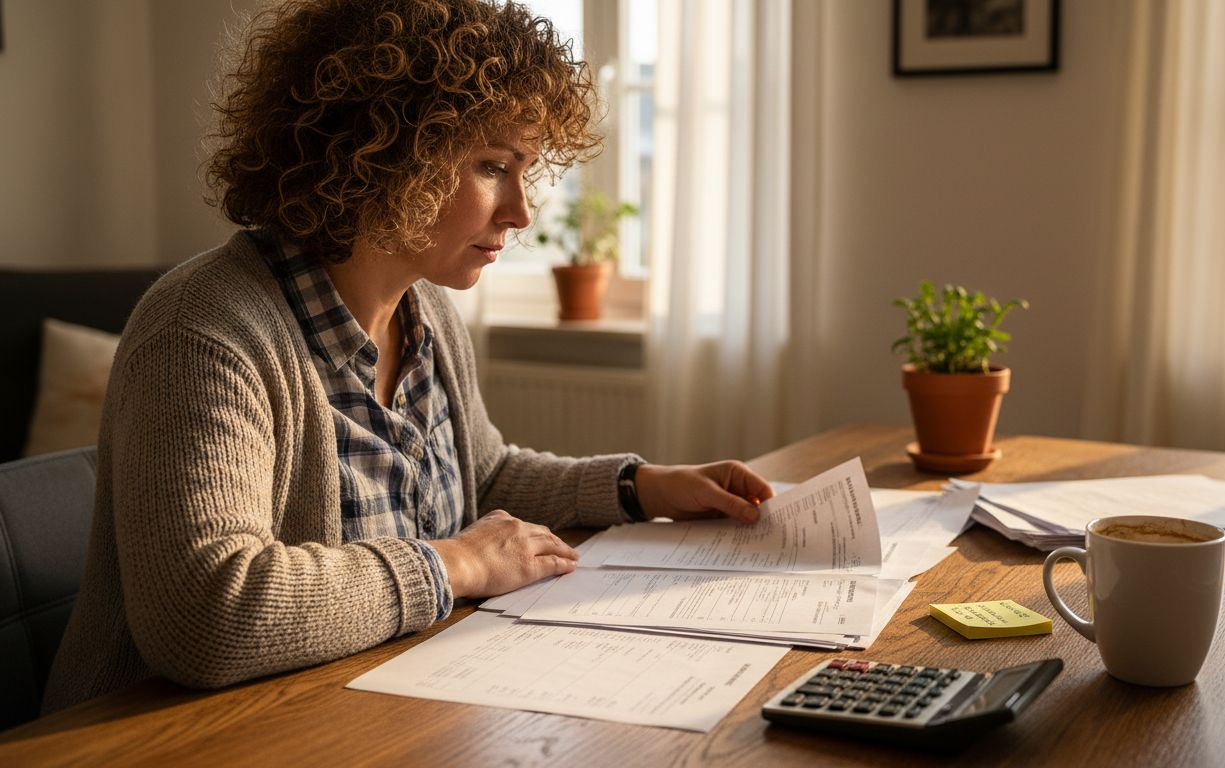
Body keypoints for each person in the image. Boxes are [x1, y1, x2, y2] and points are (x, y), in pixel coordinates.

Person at [42, 0, 773, 713]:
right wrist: (457, 564)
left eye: (525, 171)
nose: (521, 211)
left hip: (367, 710)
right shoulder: (203, 331)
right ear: (386, 155)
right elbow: (207, 614)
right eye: (493, 165)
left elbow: (482, 476)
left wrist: (644, 487)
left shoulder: (428, 313)